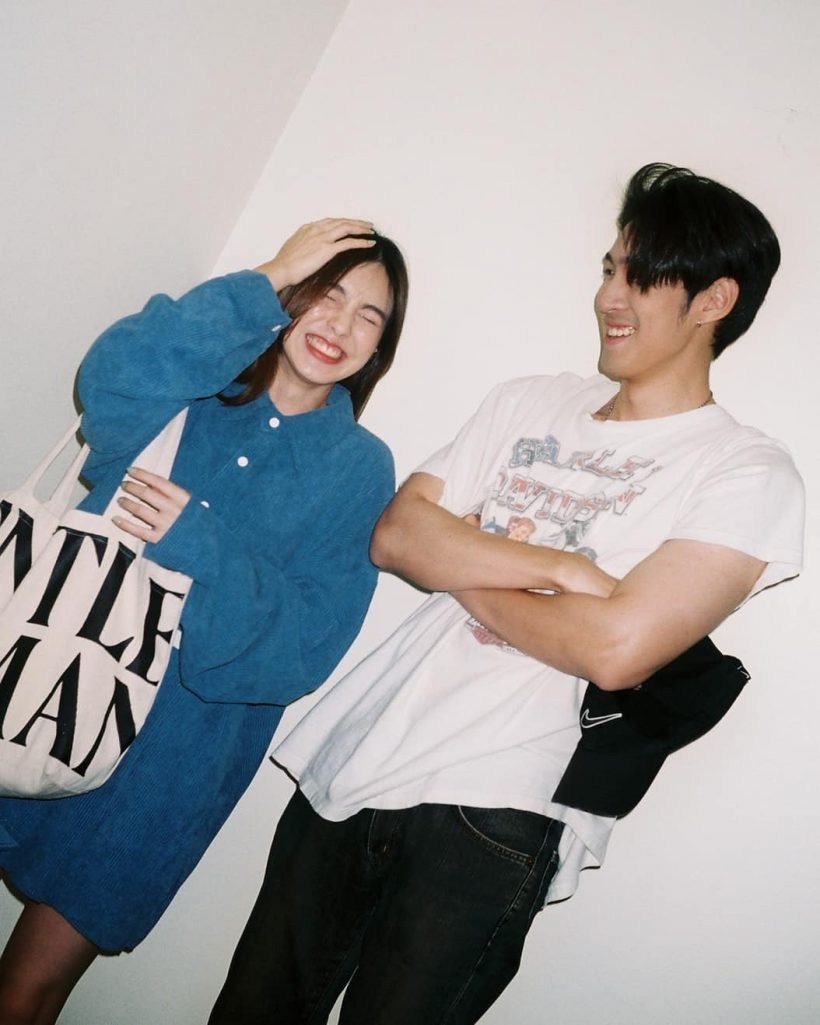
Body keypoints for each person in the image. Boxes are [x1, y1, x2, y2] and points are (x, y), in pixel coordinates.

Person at [209, 166, 805, 1025]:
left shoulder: (746, 470)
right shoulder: (530, 400)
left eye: (639, 275)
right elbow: (396, 535)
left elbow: (615, 649)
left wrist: (467, 559)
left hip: (500, 809)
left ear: (714, 299)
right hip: (357, 761)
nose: (608, 296)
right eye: (609, 268)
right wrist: (559, 571)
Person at [0, 218, 409, 1025]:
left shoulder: (361, 469)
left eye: (370, 315)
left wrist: (198, 541)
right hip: (36, 674)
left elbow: (306, 646)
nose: (341, 324)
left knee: (24, 991)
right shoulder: (192, 382)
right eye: (326, 293)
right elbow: (109, 382)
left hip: (166, 765)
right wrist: (266, 276)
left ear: (380, 347)